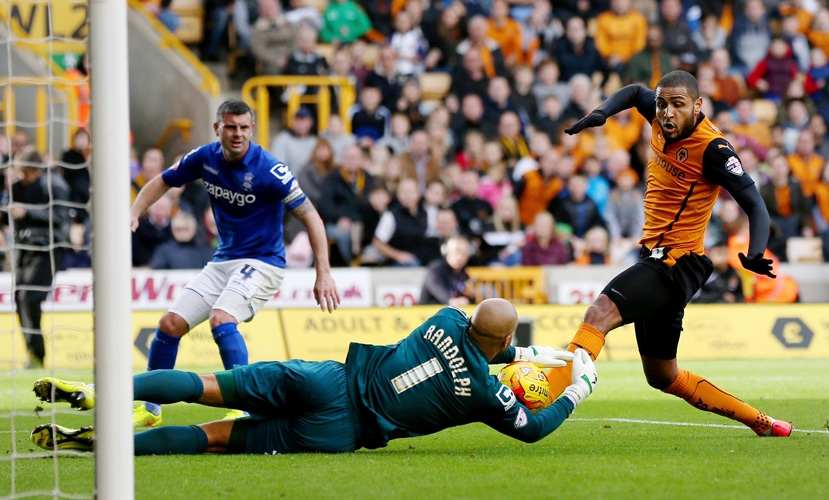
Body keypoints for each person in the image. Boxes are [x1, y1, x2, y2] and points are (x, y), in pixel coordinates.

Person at [31, 298, 599, 455]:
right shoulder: (486, 392)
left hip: (326, 379)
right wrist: (575, 388)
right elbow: (530, 427)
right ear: (502, 345)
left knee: (207, 386)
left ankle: (99, 392)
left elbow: (478, 334)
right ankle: (103, 447)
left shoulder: (445, 318)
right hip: (337, 432)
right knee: (213, 439)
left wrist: (524, 347)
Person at [554, 70, 792, 437]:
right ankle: (761, 421)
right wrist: (603, 112)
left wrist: (756, 250)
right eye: (662, 104)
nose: (666, 113)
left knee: (599, 312)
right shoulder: (660, 113)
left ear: (697, 106)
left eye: (677, 105)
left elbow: (755, 205)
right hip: (658, 257)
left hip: (678, 261)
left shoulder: (714, 149)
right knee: (662, 376)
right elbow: (635, 91)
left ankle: (547, 395)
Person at [129, 100, 340, 428]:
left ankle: (242, 407)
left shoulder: (270, 169)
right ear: (218, 129)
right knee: (169, 325)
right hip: (223, 260)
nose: (237, 133)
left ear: (251, 129)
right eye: (231, 127)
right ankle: (150, 411)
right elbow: (164, 180)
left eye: (244, 127)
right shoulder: (204, 158)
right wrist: (134, 211)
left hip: (263, 262)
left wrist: (323, 272)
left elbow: (311, 216)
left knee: (221, 319)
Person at [7, 147, 70, 369]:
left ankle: (37, 355)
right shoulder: (16, 187)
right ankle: (33, 354)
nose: (22, 177)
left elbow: (61, 216)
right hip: (24, 249)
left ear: (38, 172)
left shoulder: (55, 186)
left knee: (29, 298)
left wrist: (27, 212)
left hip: (49, 249)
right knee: (20, 299)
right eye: (19, 172)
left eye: (27, 173)